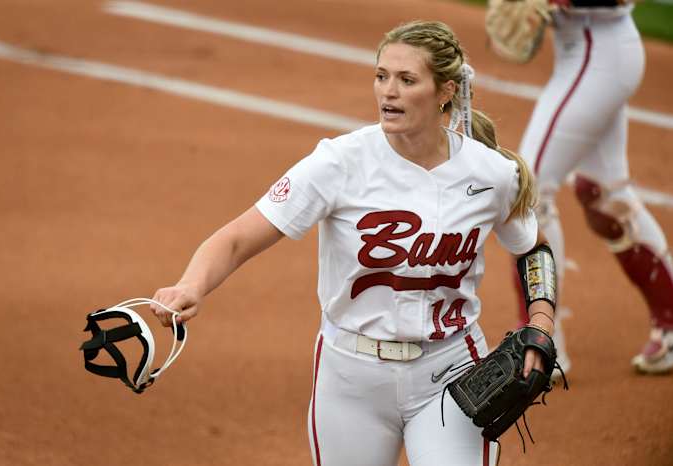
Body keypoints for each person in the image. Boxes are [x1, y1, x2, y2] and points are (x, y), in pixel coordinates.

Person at [150, 20, 558, 466]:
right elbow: (235, 238)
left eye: (406, 80)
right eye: (381, 76)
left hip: (450, 370)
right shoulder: (340, 162)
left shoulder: (491, 174)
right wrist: (192, 286)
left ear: (445, 91)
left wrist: (540, 322)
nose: (388, 92)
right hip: (350, 377)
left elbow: (533, 248)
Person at [513, 0, 673, 376]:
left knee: (526, 192)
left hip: (600, 48)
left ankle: (541, 341)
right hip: (582, 49)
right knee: (601, 193)